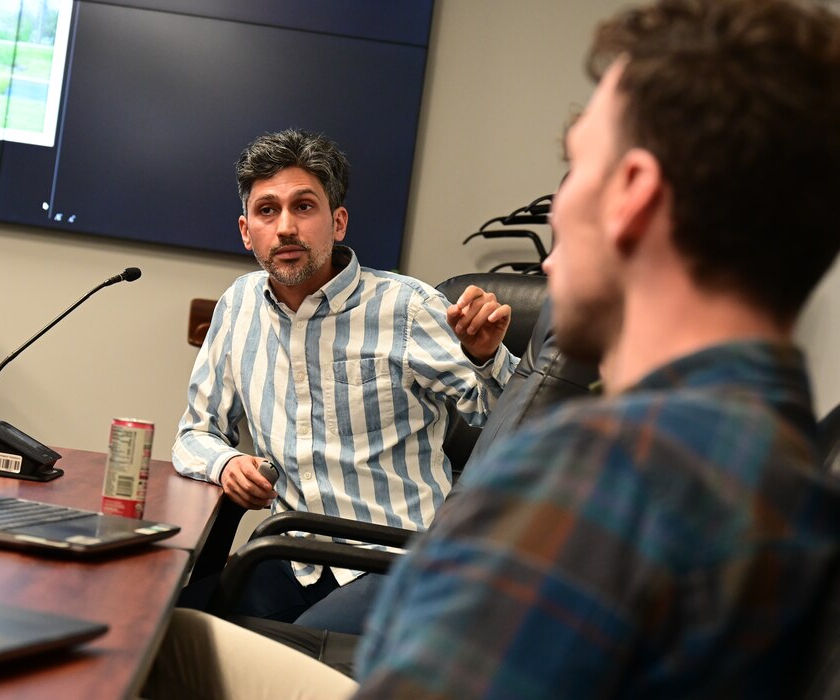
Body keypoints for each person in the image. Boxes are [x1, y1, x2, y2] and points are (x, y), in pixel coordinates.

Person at [146, 0, 840, 696]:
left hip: (378, 590)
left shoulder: (605, 474)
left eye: (577, 169)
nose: (556, 213)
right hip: (291, 562)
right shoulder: (773, 459)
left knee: (158, 637)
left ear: (631, 197)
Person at [172, 128, 519, 632]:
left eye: (304, 207)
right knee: (167, 629)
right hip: (293, 554)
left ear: (337, 222)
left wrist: (486, 356)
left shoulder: (407, 308)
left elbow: (510, 421)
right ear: (247, 231)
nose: (286, 227)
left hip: (397, 562)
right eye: (267, 211)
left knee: (278, 663)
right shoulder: (238, 306)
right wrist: (225, 463)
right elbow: (193, 434)